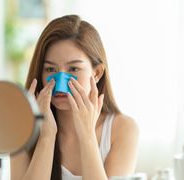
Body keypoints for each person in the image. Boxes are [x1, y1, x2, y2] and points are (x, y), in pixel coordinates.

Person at [10, 14, 139, 180]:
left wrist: (87, 136)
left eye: (73, 69)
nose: (60, 83)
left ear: (97, 73)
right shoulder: (21, 129)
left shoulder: (123, 129)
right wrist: (47, 137)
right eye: (50, 70)